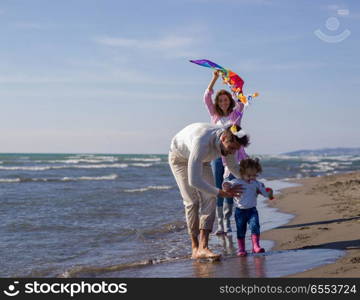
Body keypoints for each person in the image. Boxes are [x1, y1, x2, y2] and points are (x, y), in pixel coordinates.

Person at [168, 122, 250, 259]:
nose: (232, 152)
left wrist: (250, 181)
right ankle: (195, 248)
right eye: (231, 148)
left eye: (236, 150)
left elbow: (233, 167)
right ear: (223, 138)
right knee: (192, 201)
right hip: (180, 158)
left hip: (202, 160)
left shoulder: (230, 139)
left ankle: (204, 247)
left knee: (210, 197)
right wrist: (220, 192)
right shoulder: (202, 141)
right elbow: (193, 181)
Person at [204, 70, 248, 235]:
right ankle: (221, 225)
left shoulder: (236, 114)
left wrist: (232, 84)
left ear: (229, 101)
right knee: (218, 187)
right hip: (217, 155)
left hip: (233, 155)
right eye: (220, 100)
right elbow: (206, 98)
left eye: (226, 99)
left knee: (229, 185)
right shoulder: (214, 115)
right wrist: (214, 79)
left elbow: (242, 101)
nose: (223, 102)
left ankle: (228, 222)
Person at [222, 158, 274, 257]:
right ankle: (241, 249)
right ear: (242, 173)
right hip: (240, 211)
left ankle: (256, 246)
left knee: (255, 227)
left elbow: (265, 193)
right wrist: (226, 186)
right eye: (249, 175)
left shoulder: (256, 183)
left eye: (254, 175)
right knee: (241, 229)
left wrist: (269, 194)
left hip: (252, 211)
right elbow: (226, 183)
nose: (251, 178)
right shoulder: (237, 181)